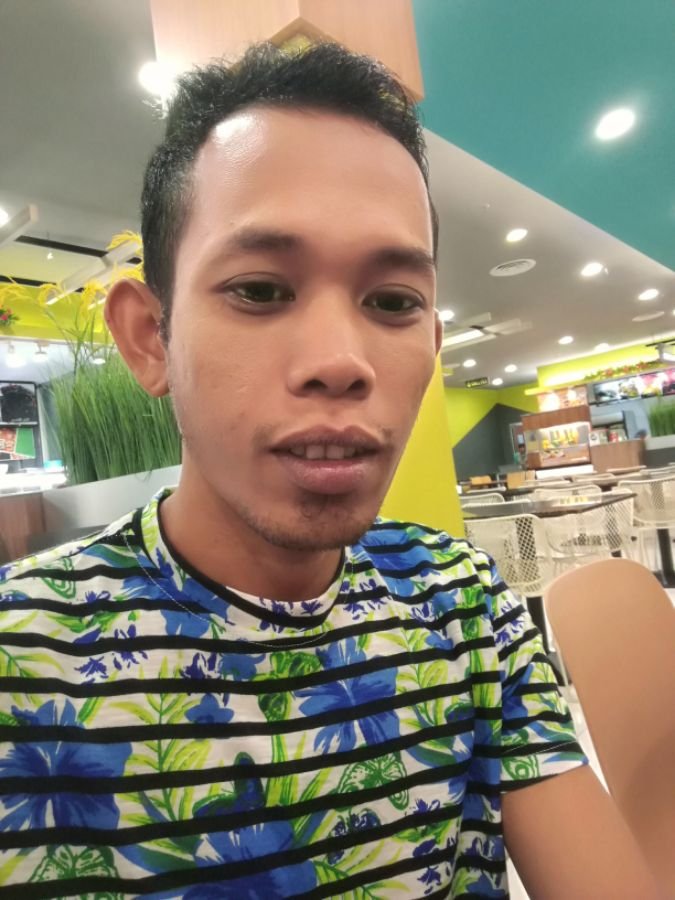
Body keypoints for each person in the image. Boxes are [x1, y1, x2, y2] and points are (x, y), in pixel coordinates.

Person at [0, 42, 660, 899]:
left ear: (430, 343)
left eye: (391, 302)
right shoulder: (25, 655)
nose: (340, 361)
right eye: (259, 290)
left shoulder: (462, 603)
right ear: (150, 339)